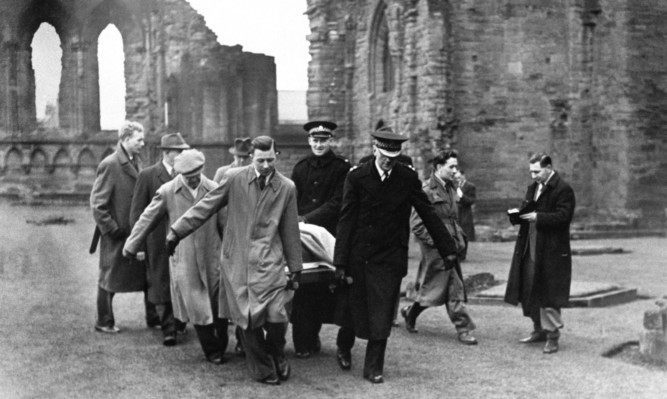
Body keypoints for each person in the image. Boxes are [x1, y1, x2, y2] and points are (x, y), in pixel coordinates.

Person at [166, 136, 302, 385]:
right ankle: (262, 368)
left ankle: (276, 354)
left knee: (277, 317)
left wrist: (295, 268)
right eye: (260, 160)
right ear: (252, 157)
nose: (265, 166)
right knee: (247, 319)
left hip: (269, 263)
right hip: (237, 262)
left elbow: (290, 229)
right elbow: (204, 207)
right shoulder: (234, 178)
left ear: (276, 156)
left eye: (270, 160)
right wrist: (176, 231)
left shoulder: (287, 188)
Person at [333, 127, 459, 384]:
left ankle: (373, 367)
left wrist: (448, 249)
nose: (388, 162)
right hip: (360, 255)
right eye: (384, 156)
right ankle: (344, 347)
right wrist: (340, 261)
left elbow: (427, 213)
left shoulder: (406, 178)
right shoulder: (356, 177)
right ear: (374, 150)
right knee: (353, 311)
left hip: (390, 256)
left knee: (381, 313)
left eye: (393, 157)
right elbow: (346, 220)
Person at [124, 149, 229, 364]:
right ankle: (212, 350)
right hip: (185, 258)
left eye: (196, 176)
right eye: (187, 177)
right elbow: (147, 219)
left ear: (202, 171)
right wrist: (131, 245)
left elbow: (225, 226)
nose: (192, 180)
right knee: (197, 305)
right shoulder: (168, 191)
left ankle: (222, 343)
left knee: (218, 305)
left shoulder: (214, 189)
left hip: (212, 257)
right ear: (180, 174)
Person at [289, 120, 355, 363]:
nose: (318, 144)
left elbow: (339, 202)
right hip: (302, 236)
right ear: (309, 141)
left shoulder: (341, 168)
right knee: (301, 286)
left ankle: (314, 335)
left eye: (323, 140)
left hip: (327, 236)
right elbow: (293, 198)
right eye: (315, 140)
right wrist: (297, 222)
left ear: (331, 141)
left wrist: (307, 218)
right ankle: (303, 342)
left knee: (322, 288)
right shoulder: (300, 167)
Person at [402, 150, 478, 345]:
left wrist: (459, 239)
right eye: (451, 167)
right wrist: (440, 244)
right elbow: (417, 225)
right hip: (435, 246)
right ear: (438, 167)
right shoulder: (426, 190)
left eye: (456, 166)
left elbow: (452, 218)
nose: (455, 171)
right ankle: (463, 328)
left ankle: (411, 312)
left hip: (451, 244)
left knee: (434, 287)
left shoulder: (451, 188)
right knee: (453, 286)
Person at [89, 120, 158, 333]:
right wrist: (112, 229)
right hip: (118, 235)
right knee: (109, 278)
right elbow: (97, 204)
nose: (142, 143)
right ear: (126, 139)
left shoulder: (136, 161)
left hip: (136, 232)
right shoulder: (110, 164)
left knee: (147, 274)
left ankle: (154, 318)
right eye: (139, 140)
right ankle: (104, 321)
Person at [504, 152, 575, 354]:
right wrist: (518, 215)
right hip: (530, 245)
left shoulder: (563, 189)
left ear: (549, 167)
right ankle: (538, 329)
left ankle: (553, 336)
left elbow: (564, 217)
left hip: (551, 250)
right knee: (529, 288)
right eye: (531, 172)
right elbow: (529, 210)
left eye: (537, 171)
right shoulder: (534, 187)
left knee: (548, 293)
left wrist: (538, 217)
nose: (533, 175)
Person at [129, 132, 189, 346]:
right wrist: (138, 245)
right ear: (166, 153)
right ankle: (168, 328)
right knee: (161, 282)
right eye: (178, 151)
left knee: (182, 280)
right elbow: (137, 213)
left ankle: (180, 321)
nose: (182, 154)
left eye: (184, 150)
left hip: (183, 239)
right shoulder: (148, 175)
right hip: (157, 240)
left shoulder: (187, 174)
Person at [212, 136, 253, 356]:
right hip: (226, 238)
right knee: (224, 290)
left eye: (245, 157)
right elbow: (216, 205)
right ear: (232, 155)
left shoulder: (254, 174)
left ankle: (242, 337)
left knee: (244, 291)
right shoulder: (222, 174)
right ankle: (221, 339)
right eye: (238, 157)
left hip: (248, 240)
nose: (241, 161)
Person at [456, 169, 476, 243]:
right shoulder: (455, 186)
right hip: (457, 212)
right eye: (456, 178)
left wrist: (462, 196)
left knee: (466, 231)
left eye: (459, 177)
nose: (458, 179)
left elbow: (471, 200)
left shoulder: (470, 186)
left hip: (466, 212)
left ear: (463, 176)